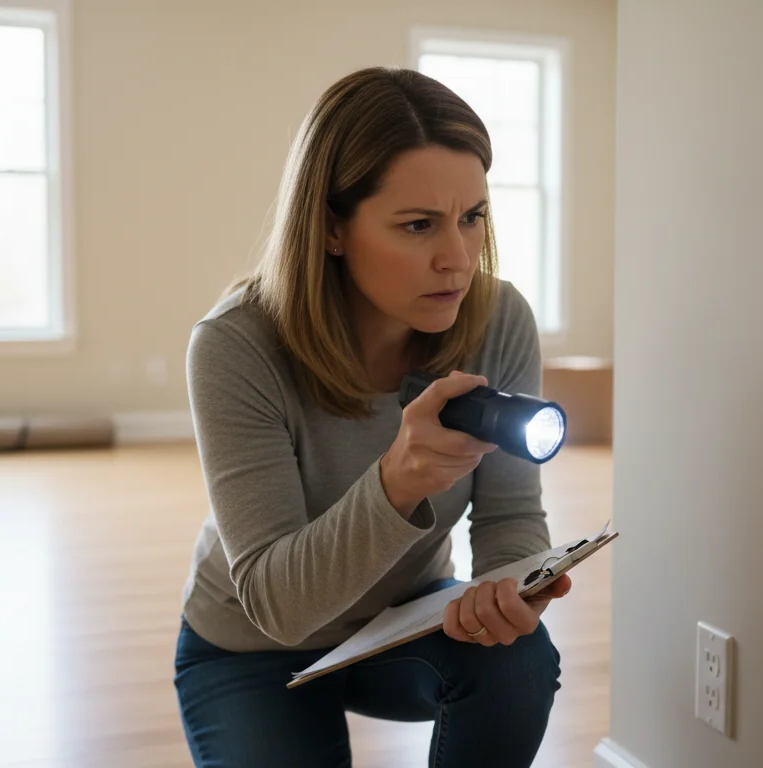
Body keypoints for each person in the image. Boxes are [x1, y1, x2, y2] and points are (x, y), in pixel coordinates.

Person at [173, 65, 573, 768]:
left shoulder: (498, 317)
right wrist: (397, 481)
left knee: (519, 659)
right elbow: (281, 606)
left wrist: (510, 589)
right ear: (332, 228)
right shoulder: (235, 345)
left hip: (401, 622)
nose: (457, 257)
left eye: (472, 217)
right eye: (418, 225)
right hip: (253, 646)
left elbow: (509, 517)